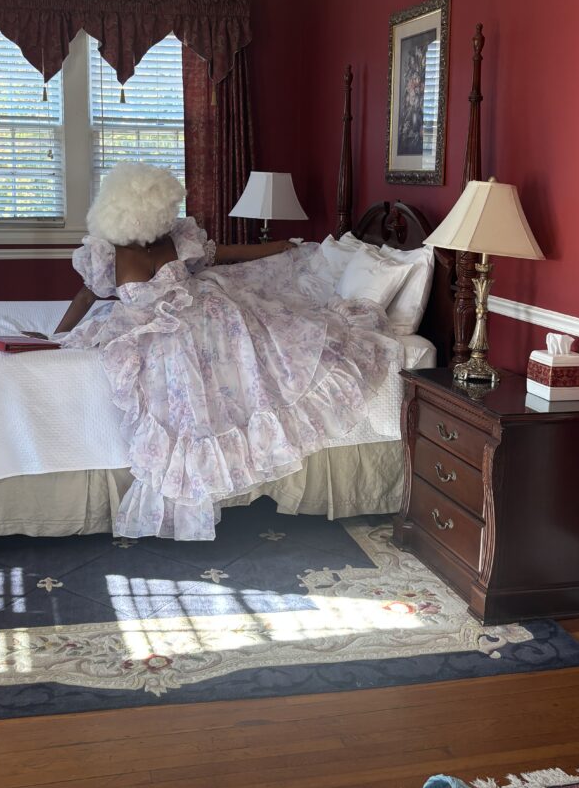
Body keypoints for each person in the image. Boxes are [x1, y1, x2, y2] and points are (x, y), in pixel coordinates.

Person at [55, 162, 401, 541]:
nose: (167, 214)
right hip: (158, 326)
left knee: (258, 332)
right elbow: (87, 294)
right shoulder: (106, 252)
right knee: (184, 359)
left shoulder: (176, 237)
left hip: (205, 311)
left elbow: (224, 252)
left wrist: (277, 248)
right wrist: (56, 335)